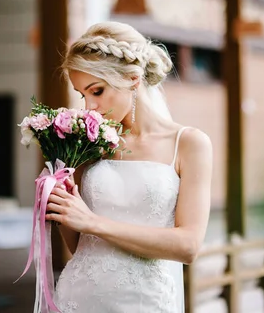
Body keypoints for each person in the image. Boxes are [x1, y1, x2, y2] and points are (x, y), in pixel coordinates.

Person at [45, 21, 212, 313]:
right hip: (79, 296)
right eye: (82, 94)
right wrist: (59, 204)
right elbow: (78, 244)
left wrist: (93, 222)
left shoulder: (189, 144)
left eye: (96, 91)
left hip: (144, 300)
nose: (88, 108)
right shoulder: (90, 144)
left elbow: (188, 246)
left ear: (133, 78)